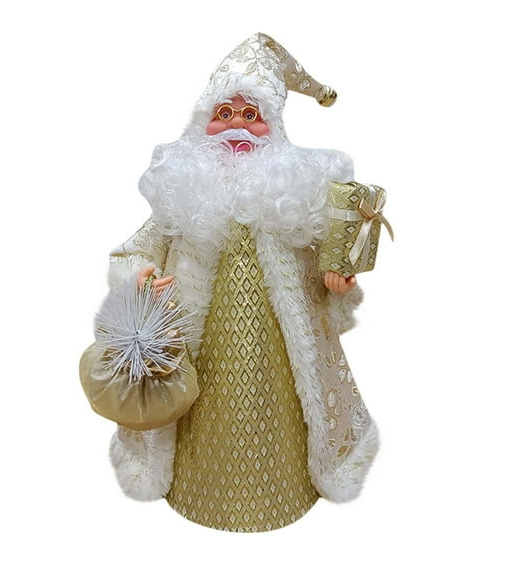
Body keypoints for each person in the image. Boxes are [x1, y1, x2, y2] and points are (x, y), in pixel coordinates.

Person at [81, 33, 379, 532]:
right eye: (224, 113)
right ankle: (195, 487)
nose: (237, 125)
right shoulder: (183, 196)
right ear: (203, 125)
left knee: (282, 409)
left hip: (277, 349)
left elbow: (324, 270)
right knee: (200, 410)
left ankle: (286, 487)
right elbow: (132, 251)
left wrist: (337, 284)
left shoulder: (294, 201)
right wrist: (140, 279)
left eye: (251, 114)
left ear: (273, 128)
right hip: (199, 345)